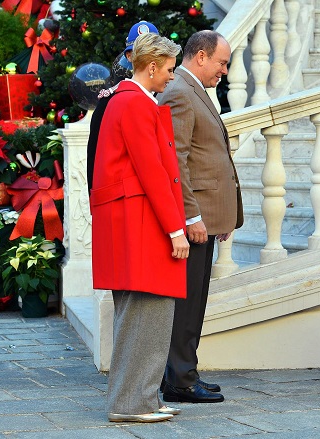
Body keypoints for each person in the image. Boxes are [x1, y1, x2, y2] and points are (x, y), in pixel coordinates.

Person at [88, 32, 189, 422]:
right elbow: (152, 174)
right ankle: (133, 403)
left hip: (136, 223)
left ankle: (138, 399)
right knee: (146, 315)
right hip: (141, 224)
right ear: (150, 67)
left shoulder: (129, 101)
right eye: (167, 70)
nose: (170, 77)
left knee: (143, 317)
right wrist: (175, 230)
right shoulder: (132, 103)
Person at [158, 30, 243, 404]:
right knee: (188, 302)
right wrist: (192, 217)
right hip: (194, 220)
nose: (224, 71)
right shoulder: (180, 91)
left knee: (194, 301)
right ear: (202, 56)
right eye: (222, 62)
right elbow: (175, 162)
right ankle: (179, 379)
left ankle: (183, 372)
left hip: (206, 218)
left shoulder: (193, 91)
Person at [107, 21, 159, 87]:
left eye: (152, 51)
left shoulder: (165, 68)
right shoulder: (121, 68)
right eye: (141, 52)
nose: (147, 57)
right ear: (129, 56)